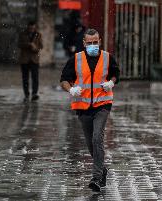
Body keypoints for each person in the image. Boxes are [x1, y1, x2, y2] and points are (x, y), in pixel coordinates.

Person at [60, 28, 120, 192]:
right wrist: (71, 89)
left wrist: (111, 83)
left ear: (99, 41)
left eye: (96, 42)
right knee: (90, 144)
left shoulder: (107, 58)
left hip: (102, 104)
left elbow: (116, 73)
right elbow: (64, 79)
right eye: (90, 43)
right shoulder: (76, 59)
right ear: (84, 43)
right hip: (83, 107)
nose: (93, 45)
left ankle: (96, 177)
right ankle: (103, 169)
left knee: (97, 138)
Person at [18, 21, 43, 102]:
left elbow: (40, 46)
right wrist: (28, 44)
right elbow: (19, 44)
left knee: (35, 78)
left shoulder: (38, 35)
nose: (31, 29)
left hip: (34, 60)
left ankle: (34, 94)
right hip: (24, 60)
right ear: (28, 27)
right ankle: (26, 94)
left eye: (33, 28)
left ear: (35, 27)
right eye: (30, 28)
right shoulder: (22, 34)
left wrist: (34, 47)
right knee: (25, 78)